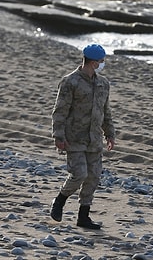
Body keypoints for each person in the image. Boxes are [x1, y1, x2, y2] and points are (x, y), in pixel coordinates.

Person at [50, 43, 116, 230]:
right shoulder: (70, 82)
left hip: (94, 139)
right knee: (79, 174)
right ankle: (60, 200)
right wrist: (58, 136)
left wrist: (110, 134)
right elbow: (60, 111)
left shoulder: (103, 83)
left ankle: (83, 216)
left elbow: (106, 112)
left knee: (93, 177)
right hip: (74, 137)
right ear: (93, 62)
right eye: (101, 61)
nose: (103, 64)